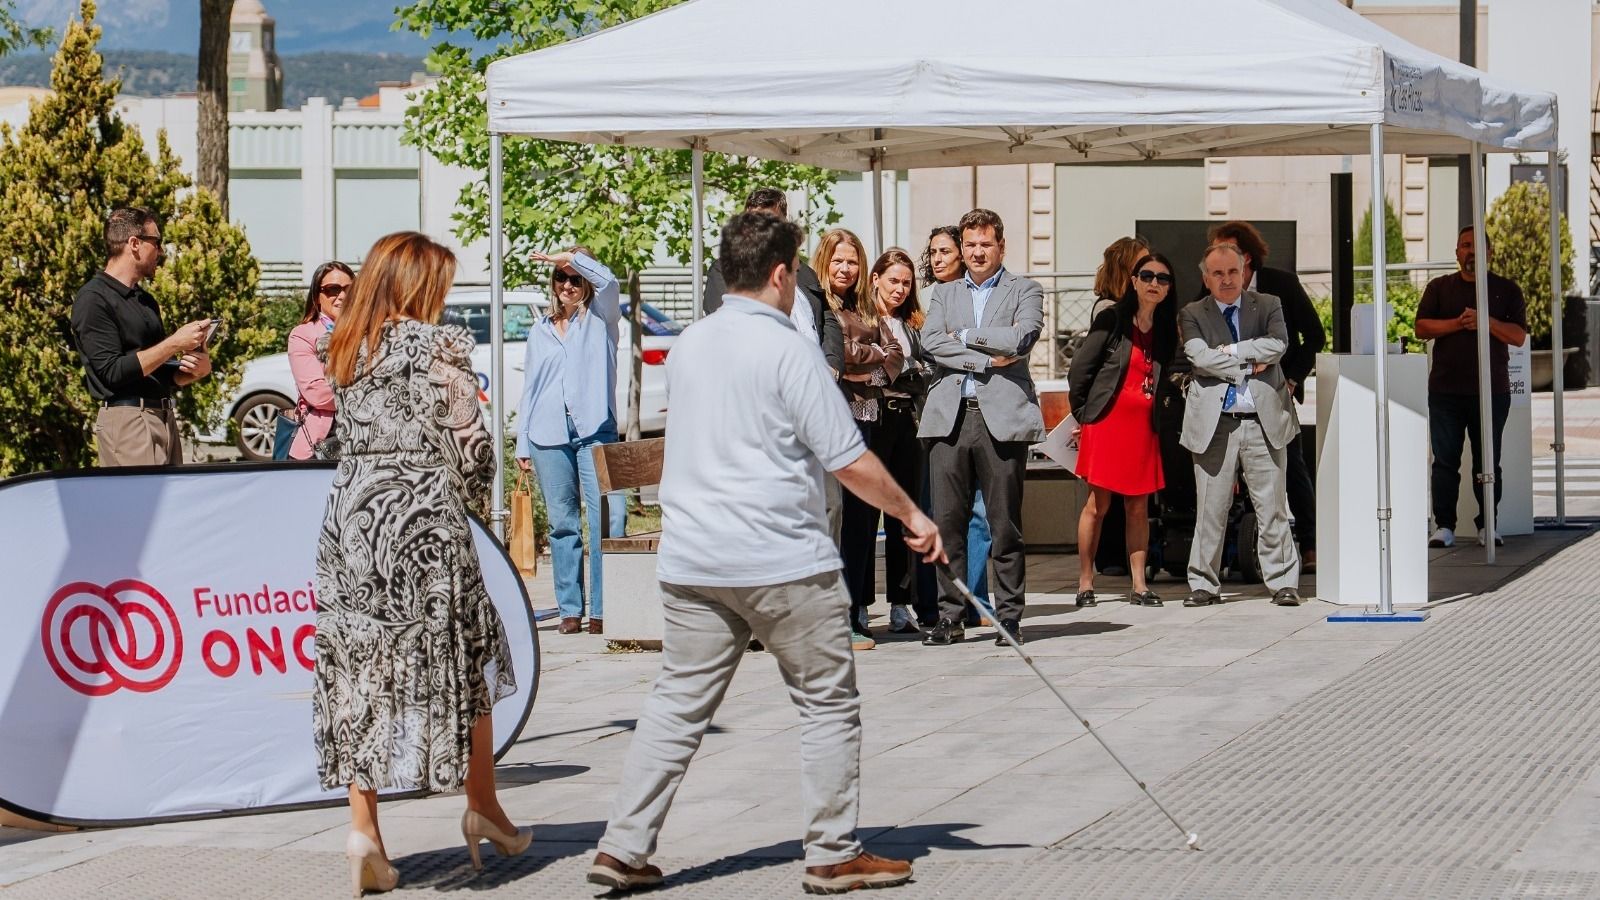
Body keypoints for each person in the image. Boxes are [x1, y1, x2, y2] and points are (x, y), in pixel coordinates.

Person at [588, 212, 944, 895]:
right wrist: (911, 514)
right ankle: (833, 853)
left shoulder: (690, 344)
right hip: (781, 558)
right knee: (827, 705)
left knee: (675, 706)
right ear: (782, 274)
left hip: (693, 559)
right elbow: (848, 458)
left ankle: (622, 848)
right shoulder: (790, 351)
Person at [313, 232, 528, 898]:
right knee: (468, 657)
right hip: (423, 525)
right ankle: (483, 805)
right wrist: (460, 496)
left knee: (356, 671)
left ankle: (365, 835)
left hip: (351, 523)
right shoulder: (441, 348)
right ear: (416, 286)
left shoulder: (342, 347)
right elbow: (473, 453)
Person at [919, 209, 1045, 646]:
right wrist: (986, 355)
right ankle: (950, 616)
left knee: (1003, 524)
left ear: (1001, 246)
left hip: (1002, 418)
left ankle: (1008, 616)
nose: (976, 252)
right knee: (948, 523)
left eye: (985, 244)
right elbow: (930, 342)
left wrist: (965, 336)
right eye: (970, 244)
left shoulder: (1025, 288)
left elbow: (1023, 337)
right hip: (949, 417)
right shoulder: (943, 292)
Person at [1178, 243, 1301, 607]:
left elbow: (1278, 346)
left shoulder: (1268, 304)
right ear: (1206, 277)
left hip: (1264, 422)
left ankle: (1282, 582)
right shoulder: (1192, 313)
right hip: (1215, 424)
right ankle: (1204, 584)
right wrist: (1249, 363)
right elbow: (1198, 357)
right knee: (1210, 508)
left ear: (1244, 271)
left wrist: (1229, 353)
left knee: (1273, 507)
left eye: (1233, 271)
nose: (1227, 279)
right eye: (1217, 273)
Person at [514, 246, 628, 636]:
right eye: (560, 278)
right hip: (547, 434)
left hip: (595, 430)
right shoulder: (540, 329)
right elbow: (531, 387)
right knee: (563, 525)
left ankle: (603, 608)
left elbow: (610, 281)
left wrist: (568, 257)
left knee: (606, 520)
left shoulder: (602, 318)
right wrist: (522, 443)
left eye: (574, 278)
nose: (566, 285)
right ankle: (570, 609)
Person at [1207, 220, 1324, 570]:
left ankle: (1310, 544)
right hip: (1230, 397)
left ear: (1248, 256)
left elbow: (1314, 336)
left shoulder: (1281, 283)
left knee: (1291, 467)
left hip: (1275, 393)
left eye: (1229, 251)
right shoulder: (1212, 287)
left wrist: (1291, 379)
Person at [1070, 252, 1179, 607]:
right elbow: (1080, 371)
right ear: (1133, 281)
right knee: (1097, 506)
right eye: (1146, 276)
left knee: (1138, 507)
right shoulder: (1112, 318)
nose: (1154, 284)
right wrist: (1083, 417)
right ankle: (1086, 582)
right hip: (1106, 423)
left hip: (1144, 428)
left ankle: (1139, 585)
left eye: (1162, 279)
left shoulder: (1165, 327)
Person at [70, 207, 213, 466]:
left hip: (163, 417)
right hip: (128, 421)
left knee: (170, 505)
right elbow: (112, 371)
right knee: (139, 506)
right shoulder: (93, 299)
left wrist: (191, 371)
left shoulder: (146, 301)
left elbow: (154, 371)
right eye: (156, 242)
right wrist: (173, 344)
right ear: (134, 243)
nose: (160, 251)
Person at [1415, 225, 1527, 548]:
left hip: (1491, 391)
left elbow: (1518, 335)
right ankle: (1444, 526)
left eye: (1478, 247)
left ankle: (1488, 525)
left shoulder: (1506, 291)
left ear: (1490, 253)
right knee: (1445, 461)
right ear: (1456, 253)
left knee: (1487, 462)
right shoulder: (1439, 288)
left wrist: (1486, 322)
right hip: (1445, 393)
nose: (1471, 252)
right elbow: (1421, 327)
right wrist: (1457, 323)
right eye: (1465, 246)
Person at [817, 229, 902, 651]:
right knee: (832, 517)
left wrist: (865, 366)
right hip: (830, 424)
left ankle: (854, 611)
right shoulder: (818, 304)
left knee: (861, 522)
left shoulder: (866, 306)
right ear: (824, 261)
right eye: (837, 260)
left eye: (852, 261)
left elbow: (896, 356)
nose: (845, 269)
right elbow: (838, 354)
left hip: (865, 419)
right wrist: (864, 359)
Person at [921, 226, 991, 624]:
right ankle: (953, 599)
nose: (938, 259)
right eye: (933, 252)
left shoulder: (983, 297)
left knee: (980, 513)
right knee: (946, 513)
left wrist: (959, 341)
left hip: (983, 408)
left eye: (946, 251)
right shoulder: (934, 299)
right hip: (942, 412)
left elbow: (1004, 343)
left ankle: (975, 597)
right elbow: (933, 343)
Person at [869, 249, 932, 634]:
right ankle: (859, 605)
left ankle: (900, 603)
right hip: (873, 419)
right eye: (894, 280)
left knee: (903, 516)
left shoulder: (912, 324)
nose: (900, 289)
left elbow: (922, 369)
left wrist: (902, 370)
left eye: (907, 283)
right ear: (875, 278)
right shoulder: (862, 319)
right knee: (862, 515)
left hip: (907, 421)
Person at [1083, 236, 1152, 579]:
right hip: (1110, 411)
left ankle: (1134, 568)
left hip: (1137, 411)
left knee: (1135, 496)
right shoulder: (1109, 311)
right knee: (1105, 496)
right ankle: (1100, 564)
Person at [282, 261, 353, 461]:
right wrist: (365, 395)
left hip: (366, 441)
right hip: (321, 443)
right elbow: (317, 393)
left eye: (350, 289)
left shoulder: (369, 333)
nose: (343, 296)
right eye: (332, 289)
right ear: (317, 296)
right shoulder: (303, 335)